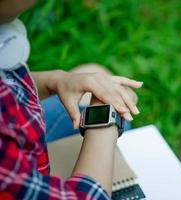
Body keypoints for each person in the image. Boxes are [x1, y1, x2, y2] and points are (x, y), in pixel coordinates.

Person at [0, 1, 142, 199]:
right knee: (118, 104)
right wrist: (106, 121)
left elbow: (6, 85)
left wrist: (56, 80)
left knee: (95, 74)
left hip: (21, 133)